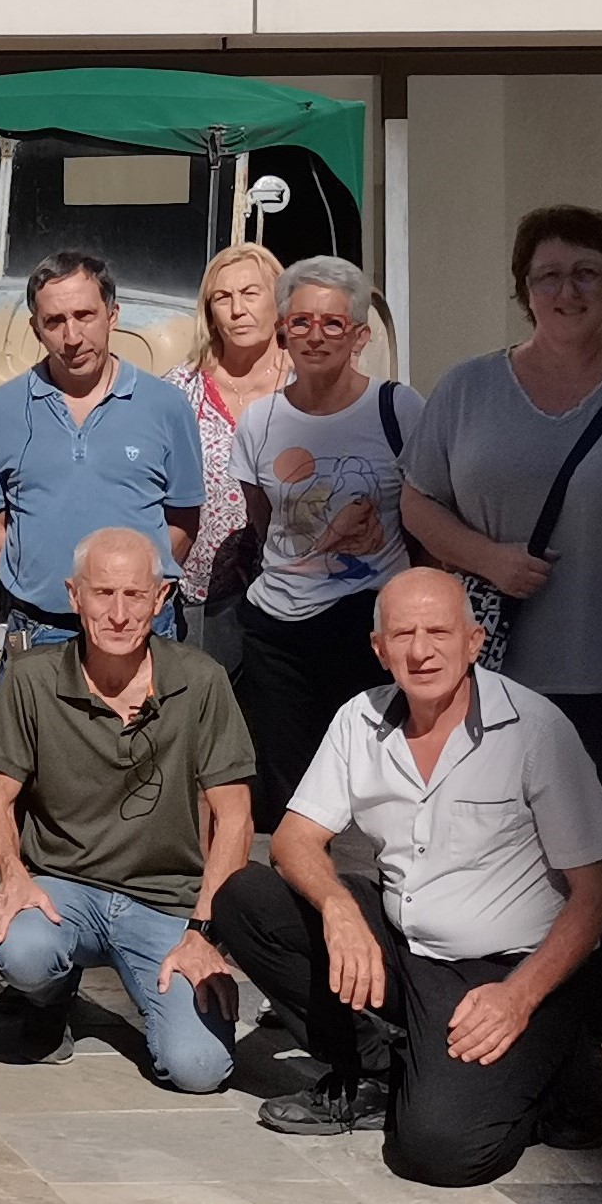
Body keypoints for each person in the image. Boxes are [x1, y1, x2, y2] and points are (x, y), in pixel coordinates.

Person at [209, 570, 602, 1184]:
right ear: (378, 648)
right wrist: (340, 910)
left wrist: (518, 997)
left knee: (438, 1152)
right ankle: (378, 1070)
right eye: (403, 634)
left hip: (506, 969)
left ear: (474, 641)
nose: (422, 651)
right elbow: (295, 839)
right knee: (244, 897)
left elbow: (600, 894)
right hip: (405, 945)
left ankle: (561, 1067)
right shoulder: (360, 718)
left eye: (439, 632)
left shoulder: (536, 731)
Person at [400, 206, 602, 1043]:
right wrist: (487, 558)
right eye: (549, 275)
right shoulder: (467, 388)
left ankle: (589, 1042)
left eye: (587, 274)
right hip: (492, 675)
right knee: (488, 856)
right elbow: (416, 499)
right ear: (523, 290)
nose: (567, 290)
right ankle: (490, 1019)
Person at [0, 526, 251, 1087]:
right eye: (103, 594)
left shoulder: (202, 682)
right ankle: (47, 998)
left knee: (200, 1070)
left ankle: (153, 998)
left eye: (134, 594)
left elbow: (236, 816)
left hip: (165, 900)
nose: (119, 614)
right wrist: (13, 877)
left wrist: (205, 928)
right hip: (63, 889)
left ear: (161, 598)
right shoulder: (31, 679)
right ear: (74, 597)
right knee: (24, 949)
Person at [223, 257, 419, 822]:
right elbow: (265, 524)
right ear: (283, 329)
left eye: (333, 324)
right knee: (292, 794)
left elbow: (422, 517)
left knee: (379, 788)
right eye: (301, 321)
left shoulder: (398, 409)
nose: (316, 336)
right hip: (278, 634)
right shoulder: (259, 422)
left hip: (367, 627)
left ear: (359, 336)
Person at [0, 251, 202, 654]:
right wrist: (34, 573)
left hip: (142, 632)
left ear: (112, 315)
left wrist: (136, 593)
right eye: (54, 322)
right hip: (40, 630)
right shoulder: (0, 409)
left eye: (84, 315)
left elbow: (183, 517)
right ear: (36, 329)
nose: (72, 337)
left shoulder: (166, 406)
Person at [172, 242, 288, 670]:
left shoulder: (310, 384)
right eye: (223, 297)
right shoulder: (180, 391)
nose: (237, 309)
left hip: (298, 593)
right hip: (202, 599)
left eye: (251, 293)